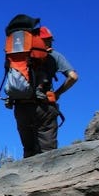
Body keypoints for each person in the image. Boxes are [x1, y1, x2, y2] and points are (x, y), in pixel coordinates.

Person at [11, 24, 79, 157]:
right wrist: (57, 93)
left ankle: (29, 176)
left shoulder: (19, 55)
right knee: (48, 152)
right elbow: (73, 77)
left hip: (21, 106)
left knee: (28, 150)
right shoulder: (54, 55)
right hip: (44, 106)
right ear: (48, 40)